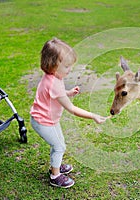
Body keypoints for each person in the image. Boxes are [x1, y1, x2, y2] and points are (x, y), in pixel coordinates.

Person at [30, 38, 108, 188]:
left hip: (45, 120)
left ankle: (56, 166)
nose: (70, 69)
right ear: (53, 66)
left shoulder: (53, 78)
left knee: (59, 144)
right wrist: (93, 116)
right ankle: (55, 176)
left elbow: (55, 94)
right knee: (59, 146)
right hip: (44, 122)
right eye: (66, 66)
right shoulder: (54, 82)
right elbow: (71, 109)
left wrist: (68, 92)